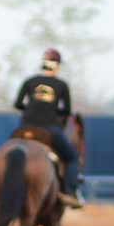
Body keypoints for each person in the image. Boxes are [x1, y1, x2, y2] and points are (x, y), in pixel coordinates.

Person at [13, 48, 80, 200]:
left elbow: (18, 104)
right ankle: (69, 193)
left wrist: (30, 109)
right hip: (49, 129)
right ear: (57, 66)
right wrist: (54, 113)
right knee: (73, 158)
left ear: (43, 64)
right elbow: (67, 110)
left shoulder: (29, 81)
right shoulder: (62, 85)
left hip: (24, 128)